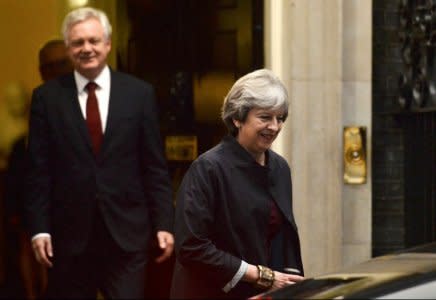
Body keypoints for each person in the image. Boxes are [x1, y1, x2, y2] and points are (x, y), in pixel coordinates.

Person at [24, 7, 174, 299]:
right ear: (68, 48)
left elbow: (154, 165)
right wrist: (39, 229)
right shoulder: (47, 98)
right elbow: (38, 171)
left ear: (107, 44)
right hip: (69, 239)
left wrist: (164, 223)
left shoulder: (139, 94)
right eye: (78, 42)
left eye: (94, 40)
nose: (87, 48)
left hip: (127, 237)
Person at [170, 69, 305, 299]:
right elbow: (192, 247)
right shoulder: (208, 168)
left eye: (280, 118)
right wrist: (260, 276)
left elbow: (281, 238)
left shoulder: (280, 168)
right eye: (265, 117)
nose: (274, 126)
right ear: (237, 118)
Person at [2, 39, 73, 300]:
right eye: (50, 66)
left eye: (62, 64)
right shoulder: (40, 102)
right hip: (38, 197)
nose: (56, 71)